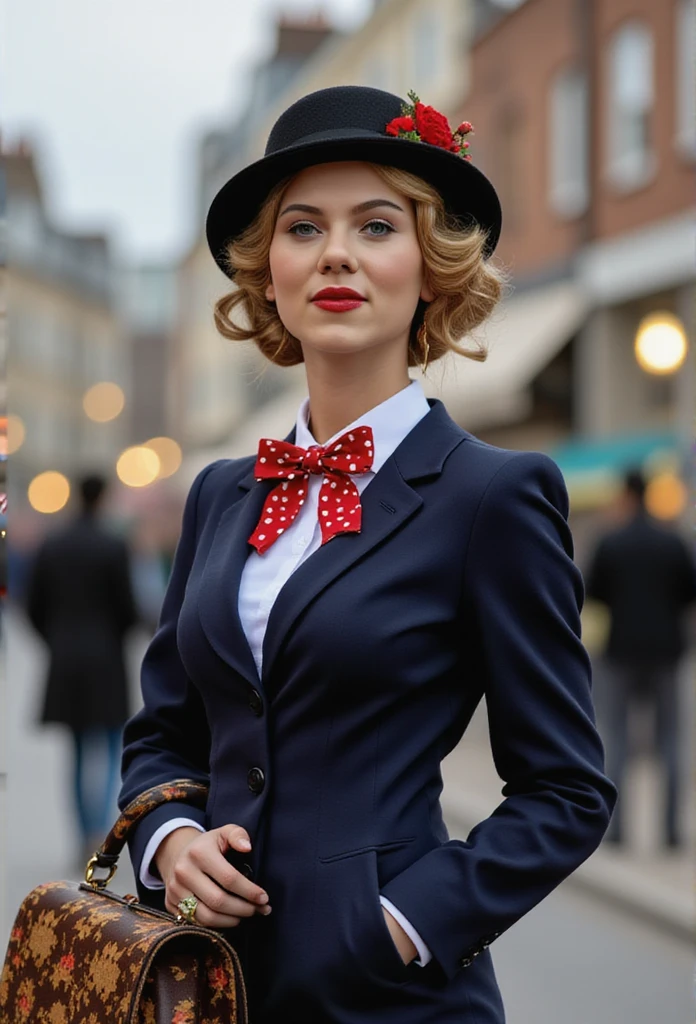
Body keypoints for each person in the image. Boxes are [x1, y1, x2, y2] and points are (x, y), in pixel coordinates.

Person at [119, 85, 616, 1023]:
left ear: (430, 267)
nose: (336, 252)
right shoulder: (222, 493)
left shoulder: (492, 497)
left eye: (377, 225)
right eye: (303, 228)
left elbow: (566, 791)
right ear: (269, 272)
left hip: (390, 999)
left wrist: (401, 923)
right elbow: (164, 733)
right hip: (202, 985)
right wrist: (169, 836)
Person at [27, 473, 138, 862]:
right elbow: (128, 607)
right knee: (109, 746)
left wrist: (55, 639)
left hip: (66, 658)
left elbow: (33, 604)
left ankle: (82, 829)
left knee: (75, 750)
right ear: (103, 496)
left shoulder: (53, 543)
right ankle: (98, 831)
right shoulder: (113, 544)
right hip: (105, 656)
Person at [585, 468, 696, 848]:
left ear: (625, 495)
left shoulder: (610, 541)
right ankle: (670, 833)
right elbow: (689, 592)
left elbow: (592, 591)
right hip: (667, 652)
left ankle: (615, 832)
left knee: (616, 738)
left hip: (620, 652)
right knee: (670, 742)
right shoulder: (673, 540)